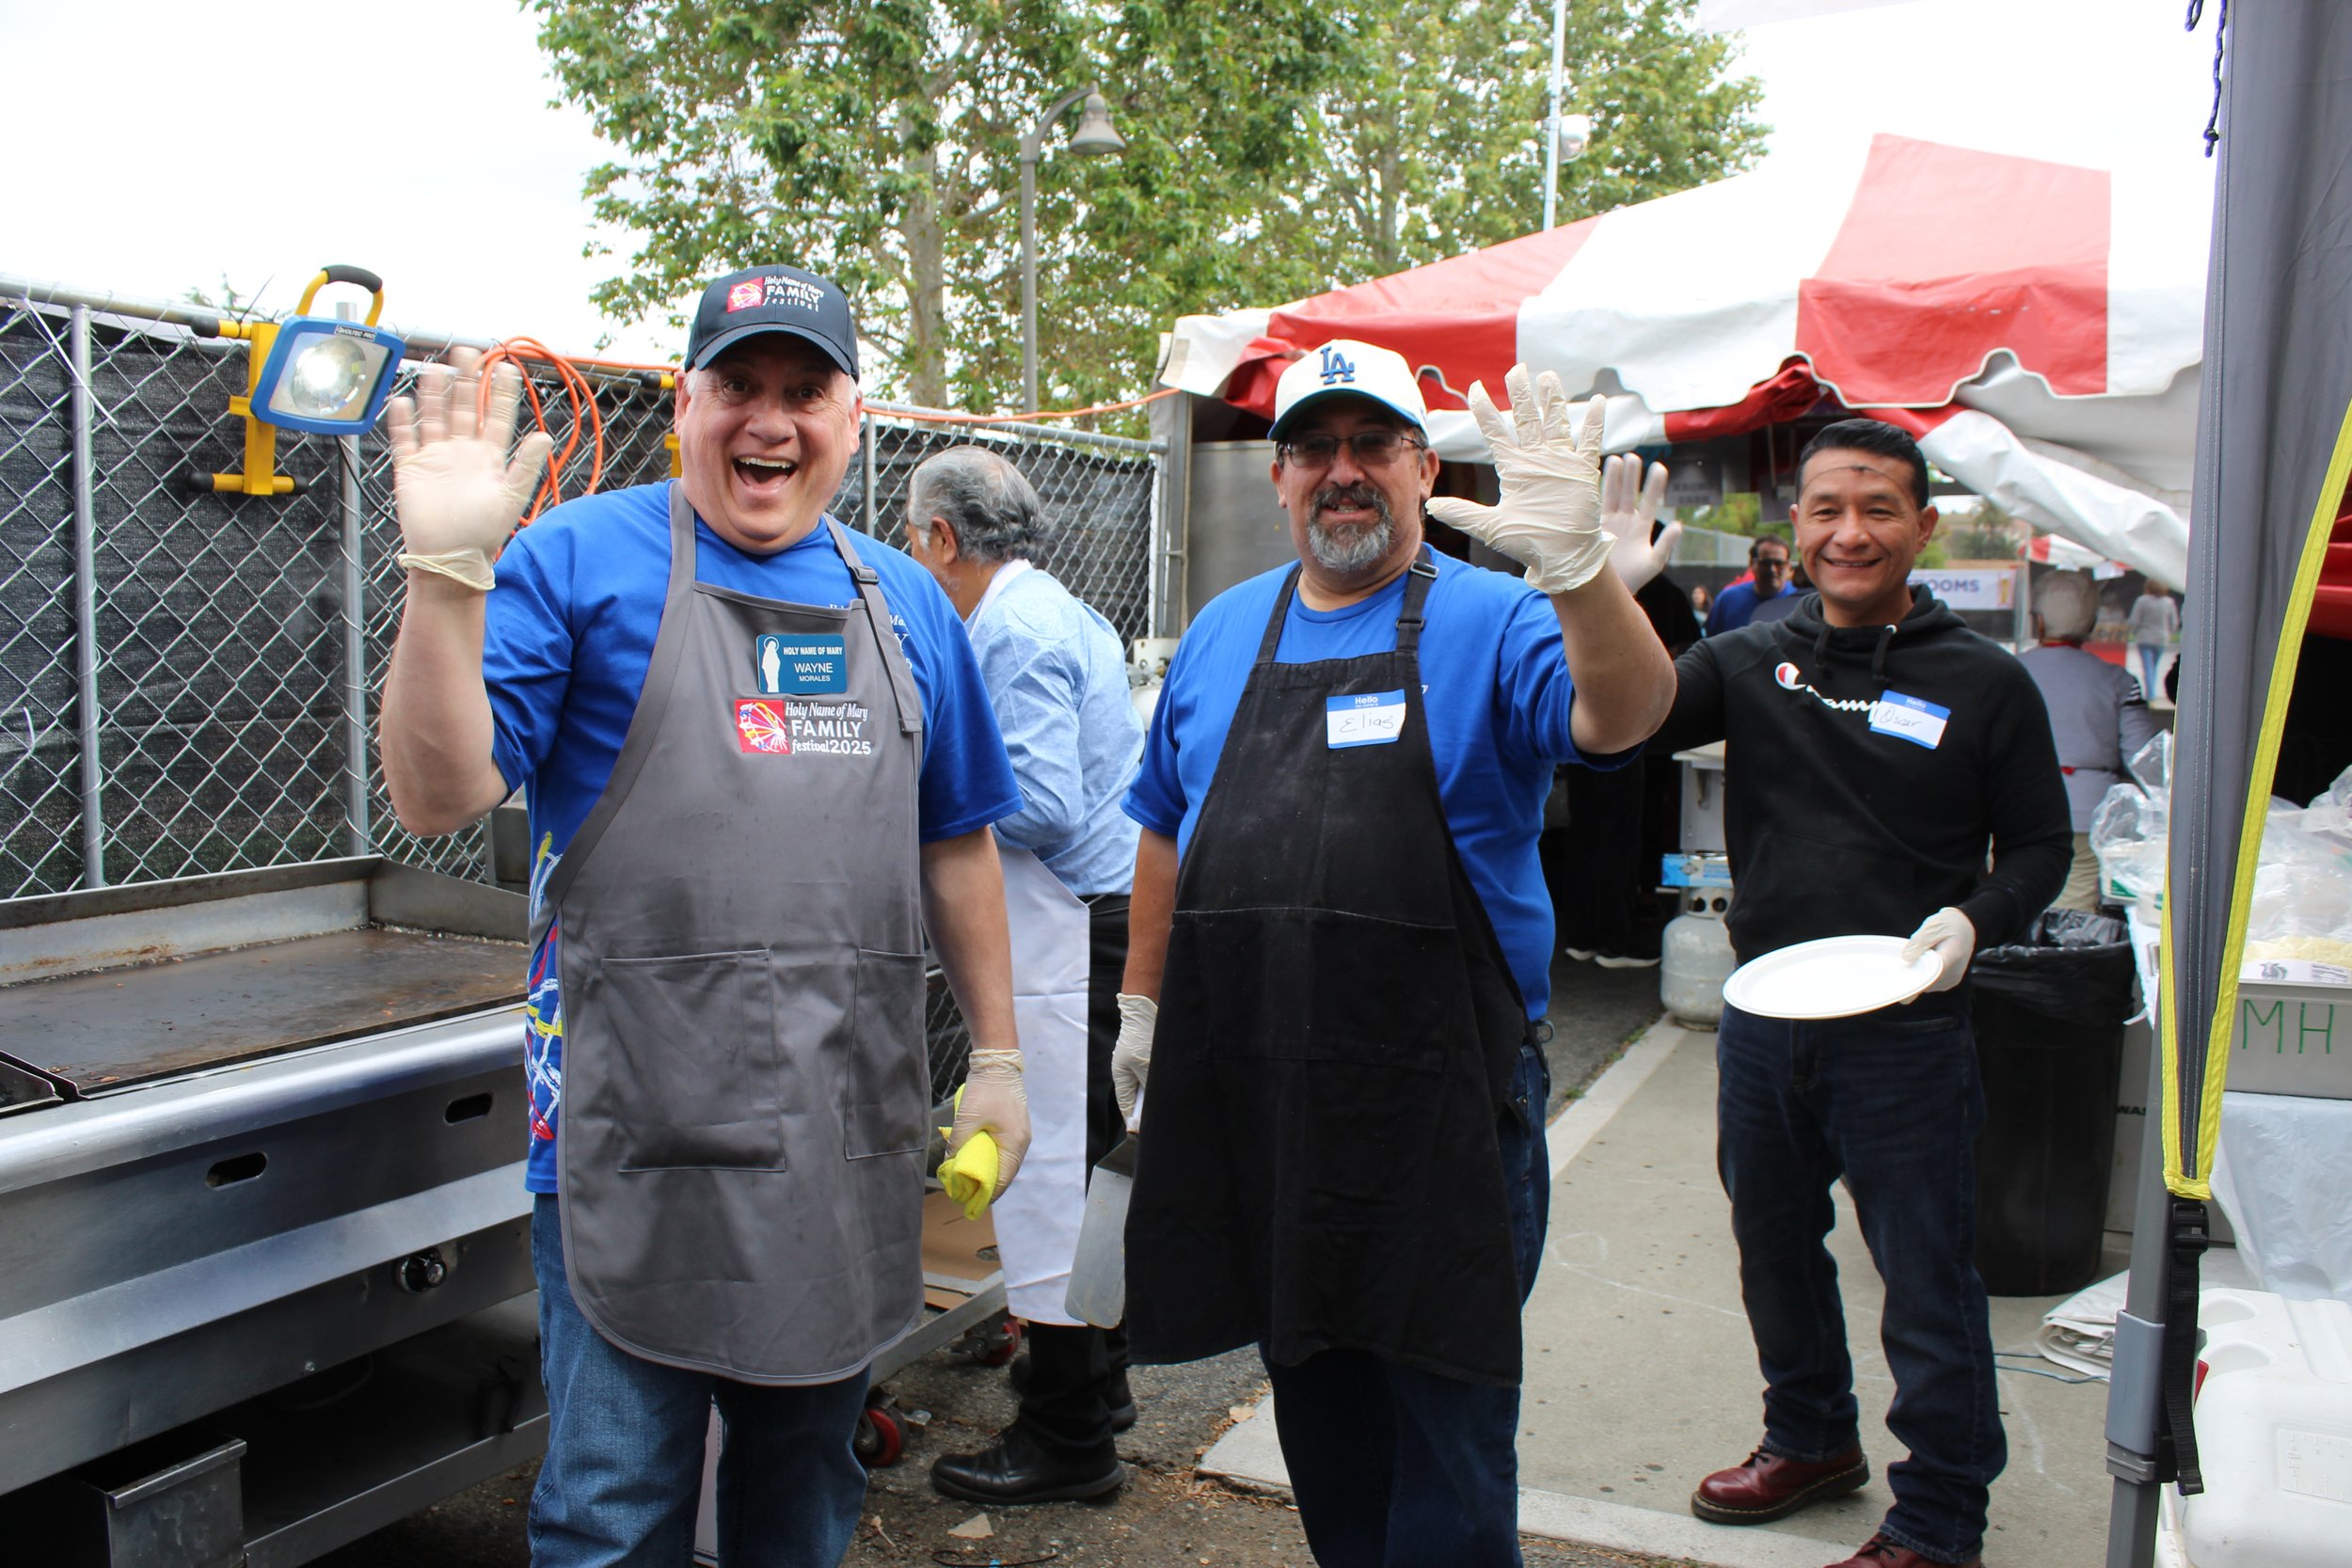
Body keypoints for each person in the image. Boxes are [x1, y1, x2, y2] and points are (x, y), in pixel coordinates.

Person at [378, 264, 1030, 1568]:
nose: (769, 422)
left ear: (855, 418)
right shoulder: (575, 561)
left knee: (802, 1499)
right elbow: (437, 790)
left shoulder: (905, 602)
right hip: (631, 1133)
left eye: (804, 390)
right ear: (688, 402)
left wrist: (1003, 1057)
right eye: (739, 385)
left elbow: (955, 840)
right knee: (614, 1510)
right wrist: (448, 576)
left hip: (840, 1138)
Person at [1111, 340, 1678, 1566]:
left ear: (1424, 465)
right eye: (1315, 446)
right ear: (1279, 477)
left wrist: (1581, 574)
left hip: (1445, 1119)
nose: (1343, 471)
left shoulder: (1502, 618)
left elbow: (1623, 714)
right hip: (1271, 1109)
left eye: (1373, 444)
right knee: (1327, 1432)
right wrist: (1140, 1004)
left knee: (1448, 1467)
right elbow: (1161, 822)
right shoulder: (1221, 632)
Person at [1656, 419, 2071, 1568]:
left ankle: (1939, 1516)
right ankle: (1810, 1436)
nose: (1851, 532)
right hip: (1764, 1012)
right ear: (1794, 525)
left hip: (1907, 1022)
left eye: (1878, 508)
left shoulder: (1986, 681)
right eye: (1827, 507)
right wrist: (1613, 590)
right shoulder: (1744, 659)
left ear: (1923, 525)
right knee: (1772, 1242)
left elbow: (2039, 846)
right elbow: (1623, 717)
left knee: (1925, 1270)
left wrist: (1972, 924)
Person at [900, 446, 1147, 1506]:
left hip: (1069, 935)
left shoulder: (1009, 628)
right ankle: (1101, 1383)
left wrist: (909, 786)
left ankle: (1069, 1438)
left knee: (1053, 1180)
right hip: (1093, 919)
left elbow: (1038, 803)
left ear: (942, 539)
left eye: (915, 542)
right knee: (1090, 1172)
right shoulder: (1060, 608)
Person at [2019, 571, 2161, 910]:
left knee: (2017, 908)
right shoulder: (2118, 680)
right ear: (2092, 623)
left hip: (2017, 811)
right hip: (2089, 814)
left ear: (2036, 621)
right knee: (2074, 917)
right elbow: (2147, 759)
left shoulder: (2004, 671)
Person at [1705, 534, 1795, 634]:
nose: (1772, 569)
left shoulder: (1801, 600)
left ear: (1788, 566)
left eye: (1779, 563)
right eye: (1765, 563)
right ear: (1752, 564)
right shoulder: (1728, 599)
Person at [2128, 578, 2180, 700]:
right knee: (2154, 667)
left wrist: (2134, 632)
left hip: (2144, 637)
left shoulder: (2142, 601)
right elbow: (2174, 622)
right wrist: (2169, 634)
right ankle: (2151, 692)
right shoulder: (2169, 602)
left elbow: (2134, 620)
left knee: (2147, 667)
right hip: (2161, 638)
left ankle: (2150, 695)